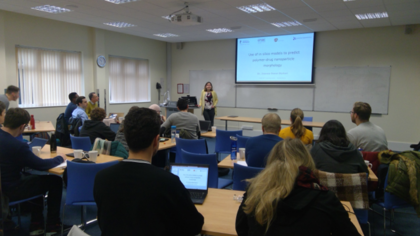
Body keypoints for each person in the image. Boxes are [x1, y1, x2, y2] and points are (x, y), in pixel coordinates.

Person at [94, 107, 204, 235]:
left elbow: (104, 223)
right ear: (156, 140)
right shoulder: (168, 182)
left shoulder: (102, 178)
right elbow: (194, 226)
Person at [236, 138, 361, 236]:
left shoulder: (255, 191)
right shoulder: (325, 199)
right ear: (307, 161)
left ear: (271, 161)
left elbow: (241, 229)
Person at [0, 108, 66, 235]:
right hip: (10, 190)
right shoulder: (17, 146)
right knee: (55, 181)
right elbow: (41, 165)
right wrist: (60, 158)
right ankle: (53, 224)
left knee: (33, 179)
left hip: (4, 186)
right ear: (22, 126)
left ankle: (37, 223)